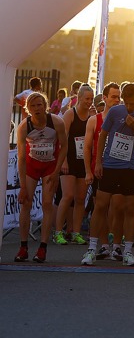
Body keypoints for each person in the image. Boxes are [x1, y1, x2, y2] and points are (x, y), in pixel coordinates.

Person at [81, 83, 134, 266]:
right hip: (111, 164)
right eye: (126, 103)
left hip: (131, 167)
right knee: (101, 205)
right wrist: (98, 162)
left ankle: (127, 251)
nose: (129, 107)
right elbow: (103, 136)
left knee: (129, 208)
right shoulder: (115, 112)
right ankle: (91, 249)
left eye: (132, 104)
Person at [14, 92, 68, 262]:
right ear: (28, 109)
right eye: (33, 106)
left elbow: (65, 147)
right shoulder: (24, 127)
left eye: (39, 105)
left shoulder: (56, 122)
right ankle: (23, 247)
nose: (37, 108)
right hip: (32, 165)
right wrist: (22, 186)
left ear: (45, 106)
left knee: (46, 203)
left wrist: (57, 170)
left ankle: (42, 247)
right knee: (27, 203)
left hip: (50, 166)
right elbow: (21, 158)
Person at [82, 82, 121, 260]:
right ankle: (104, 245)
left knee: (117, 207)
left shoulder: (123, 119)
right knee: (101, 207)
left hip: (119, 168)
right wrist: (88, 171)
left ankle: (117, 244)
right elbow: (88, 147)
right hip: (99, 169)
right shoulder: (94, 120)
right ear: (104, 98)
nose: (116, 100)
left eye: (118, 97)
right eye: (113, 96)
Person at [53, 84, 94, 246]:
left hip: (83, 162)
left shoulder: (92, 116)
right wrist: (63, 161)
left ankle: (76, 232)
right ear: (79, 98)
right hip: (69, 160)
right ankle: (58, 232)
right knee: (67, 195)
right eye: (86, 99)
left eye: (91, 99)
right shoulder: (70, 114)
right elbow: (62, 139)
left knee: (80, 198)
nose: (89, 102)